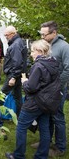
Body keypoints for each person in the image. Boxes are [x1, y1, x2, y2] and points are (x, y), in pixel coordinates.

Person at [5, 40, 60, 159]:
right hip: (48, 103)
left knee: (21, 126)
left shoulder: (38, 65)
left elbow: (31, 88)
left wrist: (25, 82)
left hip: (35, 102)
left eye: (33, 51)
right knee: (44, 128)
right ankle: (41, 156)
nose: (31, 54)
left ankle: (18, 155)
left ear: (40, 51)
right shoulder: (54, 63)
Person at [32, 21, 69, 157]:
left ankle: (60, 147)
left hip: (57, 90)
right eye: (40, 34)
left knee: (57, 117)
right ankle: (46, 143)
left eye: (44, 34)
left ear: (54, 33)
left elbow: (68, 69)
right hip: (45, 90)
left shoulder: (64, 47)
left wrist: (58, 85)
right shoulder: (47, 45)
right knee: (46, 116)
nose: (42, 37)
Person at [1, 26, 27, 117]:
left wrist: (13, 77)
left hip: (13, 74)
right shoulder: (19, 42)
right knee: (18, 97)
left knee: (1, 95)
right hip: (18, 74)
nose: (5, 37)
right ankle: (20, 116)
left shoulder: (16, 45)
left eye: (6, 35)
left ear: (13, 34)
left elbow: (17, 63)